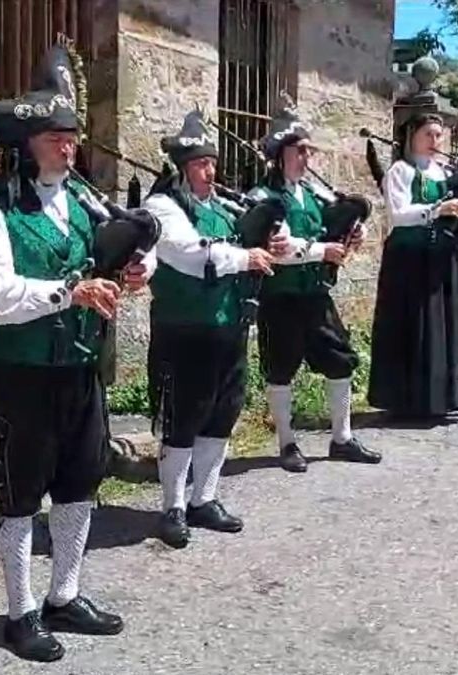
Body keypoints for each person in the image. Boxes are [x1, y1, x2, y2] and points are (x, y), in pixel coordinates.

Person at [0, 46, 154, 662]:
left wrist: (134, 270)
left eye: (72, 135)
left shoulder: (86, 200)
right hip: (21, 371)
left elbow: (118, 250)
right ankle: (20, 613)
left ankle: (64, 595)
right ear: (27, 140)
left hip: (79, 366)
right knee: (19, 493)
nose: (69, 147)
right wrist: (68, 290)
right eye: (55, 136)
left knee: (79, 482)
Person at [144, 110, 289, 549]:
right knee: (182, 417)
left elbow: (252, 238)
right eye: (201, 164)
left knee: (222, 414)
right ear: (181, 168)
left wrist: (273, 243)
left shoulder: (225, 208)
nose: (210, 172)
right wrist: (245, 258)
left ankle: (203, 499)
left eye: (211, 163)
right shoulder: (161, 207)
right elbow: (186, 252)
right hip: (183, 328)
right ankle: (172, 505)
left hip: (230, 326)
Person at [248, 105, 379, 472]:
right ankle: (287, 443)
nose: (307, 157)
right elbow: (280, 247)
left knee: (340, 359)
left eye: (309, 150)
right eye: (299, 150)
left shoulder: (313, 193)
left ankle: (342, 438)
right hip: (280, 296)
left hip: (315, 294)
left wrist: (355, 231)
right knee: (281, 367)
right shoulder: (261, 198)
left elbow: (340, 217)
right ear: (279, 155)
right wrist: (324, 250)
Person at [367, 113, 458, 418]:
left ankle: (440, 399)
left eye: (438, 135)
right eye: (428, 135)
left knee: (441, 324)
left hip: (440, 257)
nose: (435, 141)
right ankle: (406, 402)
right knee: (411, 325)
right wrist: (436, 209)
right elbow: (398, 214)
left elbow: (457, 212)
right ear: (412, 137)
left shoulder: (443, 172)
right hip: (407, 258)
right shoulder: (400, 171)